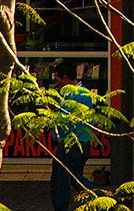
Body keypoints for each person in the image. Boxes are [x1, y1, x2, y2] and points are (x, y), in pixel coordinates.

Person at [49, 62, 98, 211]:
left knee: (60, 181)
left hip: (71, 143)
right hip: (83, 142)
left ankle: (98, 199)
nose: (57, 83)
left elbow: (65, 120)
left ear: (65, 78)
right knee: (75, 177)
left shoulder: (72, 95)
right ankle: (99, 200)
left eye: (58, 79)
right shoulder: (85, 93)